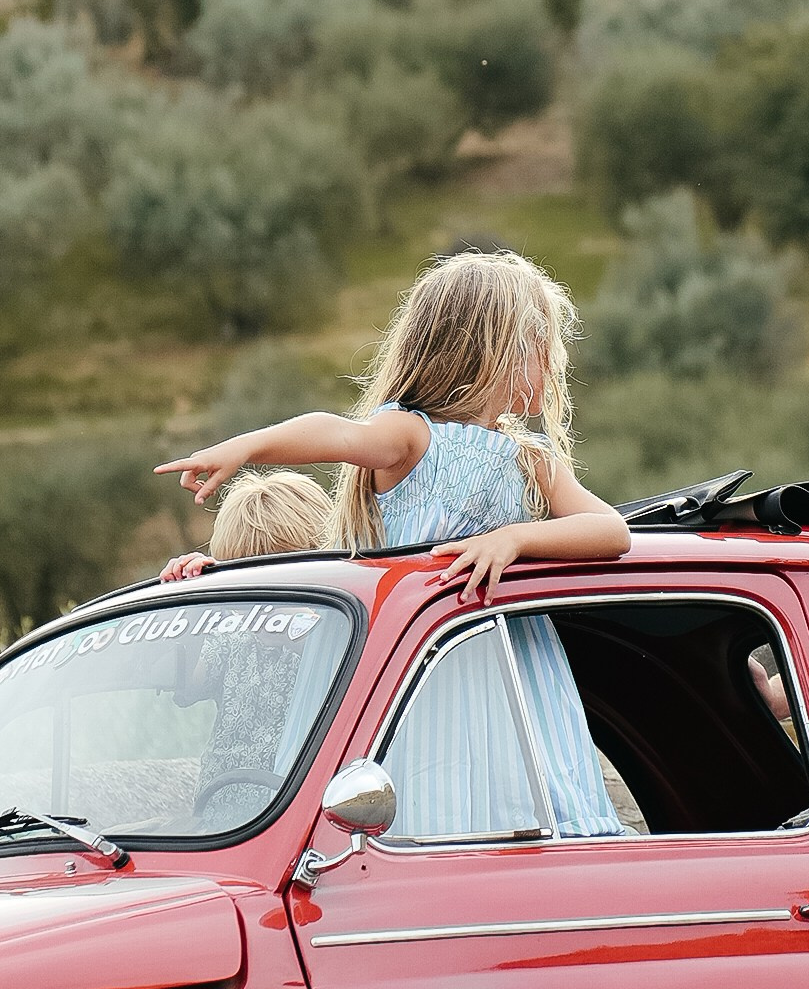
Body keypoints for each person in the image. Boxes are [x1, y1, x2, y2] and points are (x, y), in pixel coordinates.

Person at [156, 246, 631, 837]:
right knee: (431, 799)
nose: (553, 363)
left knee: (521, 803)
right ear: (491, 353)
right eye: (540, 347)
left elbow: (611, 531)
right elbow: (334, 432)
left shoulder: (530, 459)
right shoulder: (411, 436)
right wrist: (245, 447)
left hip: (509, 667)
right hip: (422, 666)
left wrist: (513, 539)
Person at [161, 466, 335, 580]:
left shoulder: (334, 614)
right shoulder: (227, 610)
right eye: (240, 574)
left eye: (287, 575)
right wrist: (195, 580)